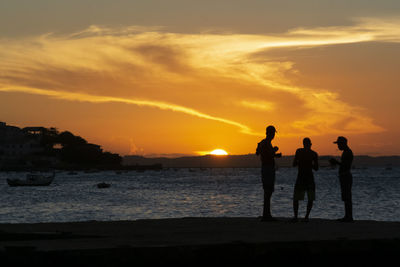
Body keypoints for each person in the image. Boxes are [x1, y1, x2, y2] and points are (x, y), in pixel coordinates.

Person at [256, 125, 282, 221]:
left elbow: (259, 152)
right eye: (272, 133)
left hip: (267, 168)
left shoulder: (264, 143)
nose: (273, 135)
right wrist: (274, 151)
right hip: (267, 169)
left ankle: (266, 214)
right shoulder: (265, 142)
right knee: (268, 191)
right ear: (269, 133)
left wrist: (274, 154)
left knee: (268, 191)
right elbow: (264, 153)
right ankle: (266, 215)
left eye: (273, 133)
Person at [292, 138, 318, 222]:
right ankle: (304, 217)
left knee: (304, 197)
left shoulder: (300, 152)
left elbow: (294, 164)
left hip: (303, 177)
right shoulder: (312, 153)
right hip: (306, 177)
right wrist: (307, 163)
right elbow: (316, 168)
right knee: (304, 197)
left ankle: (300, 217)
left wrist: (306, 163)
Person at [330, 136, 354, 222]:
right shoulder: (346, 152)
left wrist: (336, 162)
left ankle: (349, 217)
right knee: (345, 196)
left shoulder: (348, 152)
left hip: (346, 176)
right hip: (344, 176)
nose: (338, 146)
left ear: (343, 144)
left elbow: (346, 166)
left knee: (347, 197)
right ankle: (347, 216)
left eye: (339, 144)